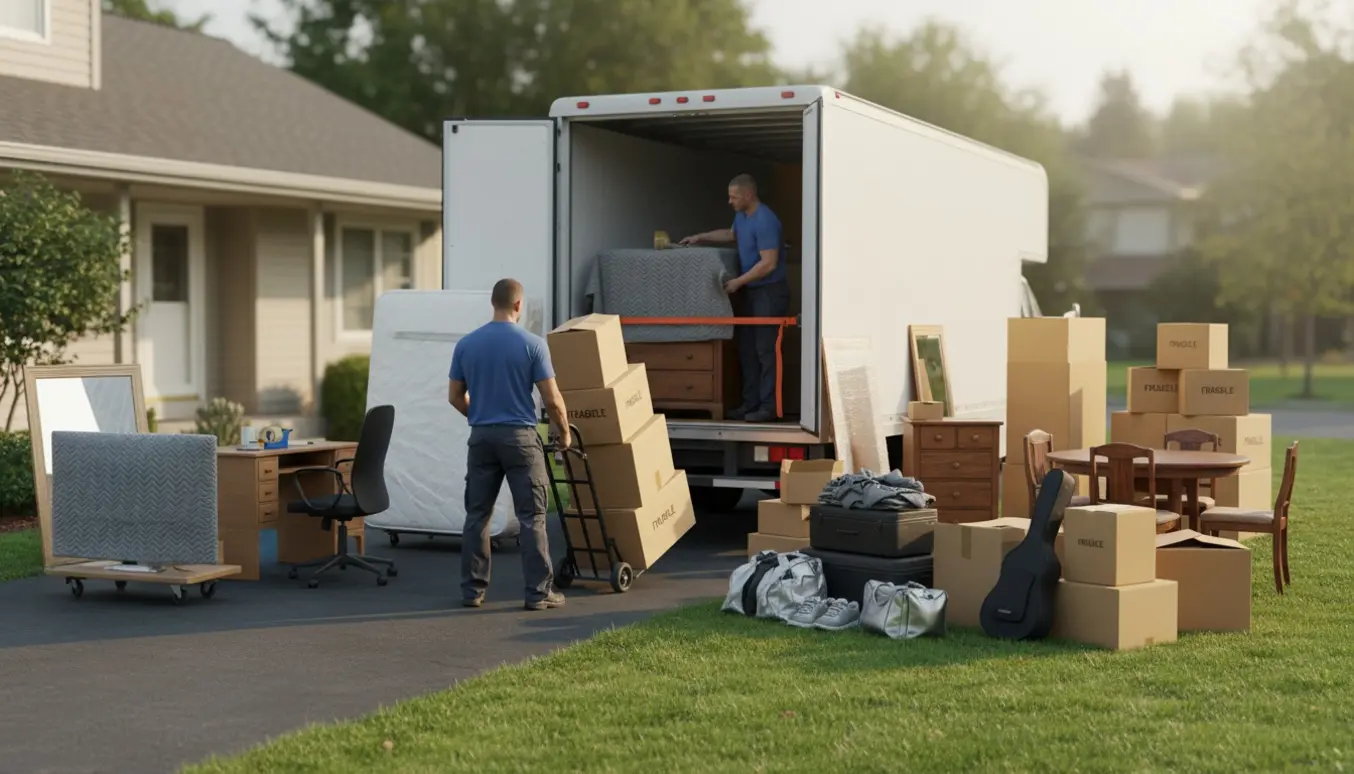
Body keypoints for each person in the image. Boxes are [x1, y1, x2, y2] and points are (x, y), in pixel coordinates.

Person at [448, 279, 570, 611]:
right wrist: (564, 432)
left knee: (477, 515)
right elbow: (552, 399)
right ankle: (538, 593)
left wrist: (481, 416)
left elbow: (454, 397)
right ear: (519, 306)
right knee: (532, 517)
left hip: (482, 438)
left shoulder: (467, 344)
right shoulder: (532, 344)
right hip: (520, 440)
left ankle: (473, 591)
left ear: (493, 303)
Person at [680, 173, 790, 422]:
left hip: (769, 293)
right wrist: (700, 237)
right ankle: (750, 404)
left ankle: (769, 407)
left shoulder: (765, 220)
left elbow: (769, 263)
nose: (729, 201)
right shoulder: (743, 216)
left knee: (766, 351)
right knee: (747, 349)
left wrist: (738, 282)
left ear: (749, 195)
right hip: (751, 292)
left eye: (734, 196)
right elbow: (731, 235)